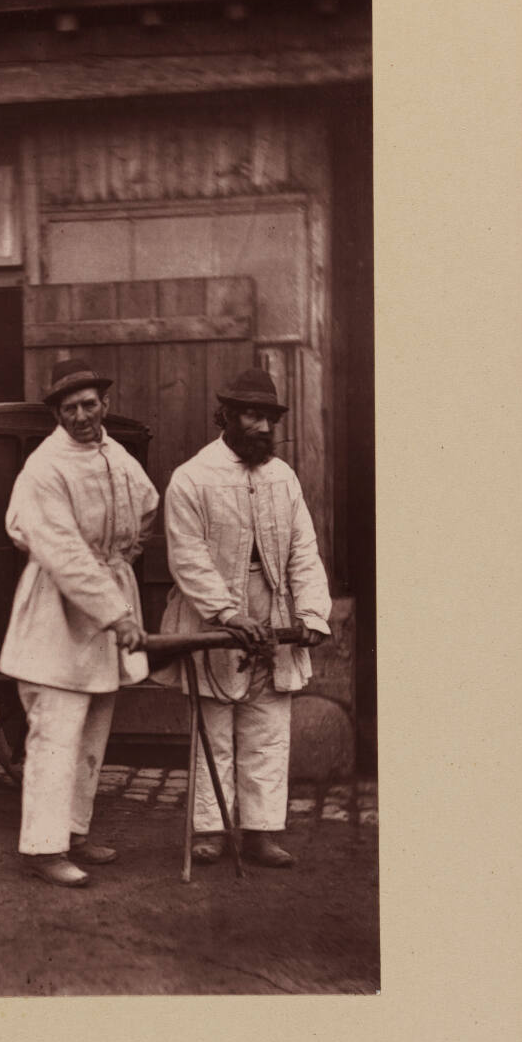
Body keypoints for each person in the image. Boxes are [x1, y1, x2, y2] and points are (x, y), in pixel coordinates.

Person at [159, 366, 331, 868]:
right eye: (252, 415)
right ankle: (211, 830)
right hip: (212, 612)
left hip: (272, 607)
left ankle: (261, 831)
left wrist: (312, 612)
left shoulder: (283, 477)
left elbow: (303, 548)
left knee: (268, 726)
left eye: (269, 418)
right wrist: (227, 613)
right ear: (227, 416)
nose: (262, 427)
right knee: (214, 729)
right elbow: (188, 557)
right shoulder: (192, 477)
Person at [0, 359, 159, 887]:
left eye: (90, 404)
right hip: (55, 612)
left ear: (104, 404)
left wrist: (123, 557)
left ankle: (73, 831)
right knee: (55, 731)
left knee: (92, 731)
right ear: (57, 414)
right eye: (69, 409)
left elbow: (148, 505)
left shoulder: (117, 455)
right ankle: (42, 849)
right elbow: (64, 553)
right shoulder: (45, 468)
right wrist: (117, 614)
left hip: (105, 607)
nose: (82, 416)